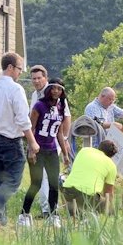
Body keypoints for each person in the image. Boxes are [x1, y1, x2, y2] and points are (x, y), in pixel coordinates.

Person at [0, 52, 40, 226]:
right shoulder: (15, 89)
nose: (20, 72)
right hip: (11, 142)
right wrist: (32, 142)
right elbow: (22, 119)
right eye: (19, 69)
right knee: (13, 180)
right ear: (10, 67)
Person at [20, 79, 70, 226]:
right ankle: (24, 215)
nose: (56, 91)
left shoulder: (60, 107)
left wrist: (65, 154)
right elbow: (32, 128)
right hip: (38, 149)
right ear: (48, 90)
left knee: (54, 184)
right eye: (53, 88)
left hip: (52, 150)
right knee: (36, 183)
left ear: (62, 92)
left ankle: (53, 216)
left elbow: (59, 132)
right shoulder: (39, 106)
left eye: (59, 89)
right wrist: (31, 150)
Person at [28, 65, 73, 216]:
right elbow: (32, 123)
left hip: (53, 143)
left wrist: (64, 141)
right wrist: (31, 146)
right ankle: (44, 209)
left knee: (50, 179)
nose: (36, 81)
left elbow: (66, 118)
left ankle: (49, 210)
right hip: (38, 144)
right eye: (33, 79)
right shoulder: (36, 97)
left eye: (39, 78)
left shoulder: (57, 95)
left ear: (45, 78)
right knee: (39, 180)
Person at [61, 140, 118, 216]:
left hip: (67, 192)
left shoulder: (84, 150)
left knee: (78, 210)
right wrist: (111, 208)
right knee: (109, 209)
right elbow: (108, 193)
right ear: (111, 156)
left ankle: (76, 212)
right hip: (87, 196)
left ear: (99, 147)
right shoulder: (111, 165)